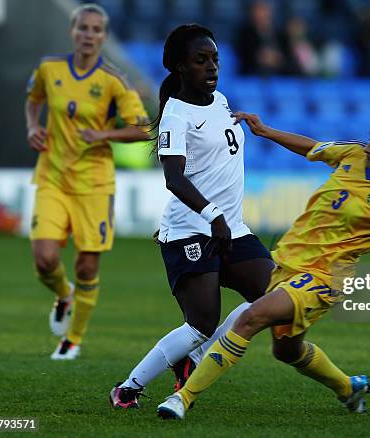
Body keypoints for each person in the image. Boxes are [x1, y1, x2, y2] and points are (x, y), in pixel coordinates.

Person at [154, 94, 370, 420]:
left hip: (324, 279)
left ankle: (182, 398)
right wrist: (266, 131)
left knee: (250, 318)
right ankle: (349, 389)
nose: (369, 147)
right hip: (287, 262)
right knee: (285, 350)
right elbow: (313, 148)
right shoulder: (354, 155)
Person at [109, 24, 275, 408]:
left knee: (274, 297)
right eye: (201, 60)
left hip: (231, 228)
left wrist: (222, 219)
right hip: (191, 232)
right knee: (201, 324)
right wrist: (213, 214)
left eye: (214, 58)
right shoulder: (175, 116)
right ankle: (128, 388)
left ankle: (193, 361)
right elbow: (173, 178)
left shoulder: (220, 101)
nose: (212, 67)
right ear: (180, 67)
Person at [25, 4, 150, 360]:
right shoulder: (49, 69)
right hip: (52, 176)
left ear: (104, 37)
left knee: (87, 266)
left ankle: (72, 339)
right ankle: (64, 294)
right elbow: (32, 101)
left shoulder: (114, 81)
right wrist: (33, 127)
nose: (89, 35)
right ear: (73, 31)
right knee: (45, 259)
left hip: (94, 184)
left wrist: (104, 134)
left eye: (96, 30)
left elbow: (142, 128)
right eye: (83, 28)